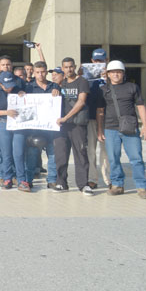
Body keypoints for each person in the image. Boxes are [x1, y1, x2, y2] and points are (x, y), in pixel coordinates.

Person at [97, 60, 146, 199]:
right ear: (108, 74)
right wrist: (99, 130)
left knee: (136, 158)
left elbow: (140, 106)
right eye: (113, 72)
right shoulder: (103, 90)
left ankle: (141, 187)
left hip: (130, 128)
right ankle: (117, 185)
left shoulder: (132, 87)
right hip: (110, 128)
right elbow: (100, 111)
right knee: (113, 159)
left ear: (123, 73)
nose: (116, 74)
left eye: (119, 72)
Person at [54, 57, 93, 196]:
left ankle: (83, 185)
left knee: (81, 154)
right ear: (62, 68)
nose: (69, 69)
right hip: (61, 127)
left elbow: (81, 102)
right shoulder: (60, 83)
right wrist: (54, 93)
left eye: (71, 66)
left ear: (75, 66)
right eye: (66, 67)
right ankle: (61, 183)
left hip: (77, 124)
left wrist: (65, 117)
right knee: (61, 155)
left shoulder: (82, 81)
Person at [0, 71, 29, 191]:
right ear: (0, 84)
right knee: (6, 153)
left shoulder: (18, 89)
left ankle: (22, 180)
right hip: (2, 123)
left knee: (19, 152)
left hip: (18, 124)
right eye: (6, 86)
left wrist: (23, 95)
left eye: (11, 85)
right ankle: (7, 178)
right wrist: (6, 112)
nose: (9, 88)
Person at [26, 61, 60, 189]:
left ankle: (51, 180)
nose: (40, 75)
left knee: (53, 153)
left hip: (51, 127)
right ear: (33, 73)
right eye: (37, 72)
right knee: (32, 154)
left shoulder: (55, 86)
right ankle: (28, 179)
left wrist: (58, 94)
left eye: (43, 72)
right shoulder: (28, 87)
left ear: (46, 72)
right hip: (34, 128)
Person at [85, 48, 110, 189]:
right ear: (92, 61)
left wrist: (107, 78)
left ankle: (108, 179)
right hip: (90, 117)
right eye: (96, 60)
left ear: (106, 60)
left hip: (108, 117)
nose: (98, 63)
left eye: (101, 60)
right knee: (91, 150)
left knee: (106, 150)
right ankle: (92, 178)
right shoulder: (86, 78)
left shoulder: (114, 76)